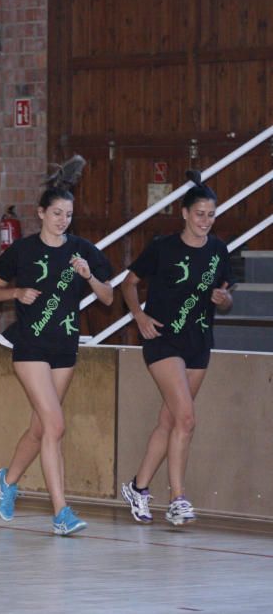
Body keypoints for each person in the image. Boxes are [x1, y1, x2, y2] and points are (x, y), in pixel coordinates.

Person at [0, 174, 114, 536]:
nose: (62, 220)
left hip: (65, 347)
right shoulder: (23, 250)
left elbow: (107, 298)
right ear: (41, 213)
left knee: (41, 427)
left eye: (68, 214)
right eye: (56, 213)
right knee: (56, 426)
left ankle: (7, 481)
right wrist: (16, 293)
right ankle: (61, 512)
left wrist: (90, 277)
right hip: (29, 346)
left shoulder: (81, 250)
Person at [120, 174, 233, 526]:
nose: (205, 221)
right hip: (163, 340)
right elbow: (129, 282)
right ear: (184, 213)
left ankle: (138, 487)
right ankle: (178, 499)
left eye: (211, 215)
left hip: (198, 342)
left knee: (169, 420)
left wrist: (224, 299)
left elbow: (227, 298)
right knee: (185, 418)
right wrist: (138, 316)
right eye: (200, 214)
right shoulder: (163, 247)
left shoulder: (218, 251)